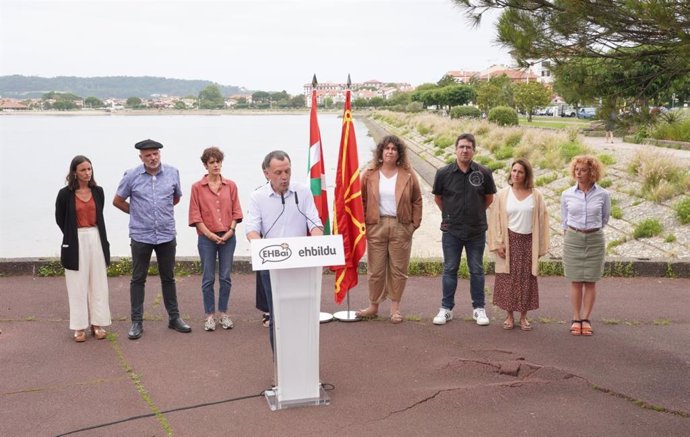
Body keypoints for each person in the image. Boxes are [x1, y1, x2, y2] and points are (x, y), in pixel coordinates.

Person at [113, 139, 191, 340]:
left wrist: (159, 212)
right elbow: (118, 200)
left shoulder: (173, 173)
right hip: (141, 235)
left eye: (155, 154)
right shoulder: (131, 175)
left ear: (160, 154)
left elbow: (176, 198)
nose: (152, 158)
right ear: (141, 157)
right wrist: (137, 212)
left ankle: (174, 318)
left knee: (168, 277)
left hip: (166, 234)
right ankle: (136, 322)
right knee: (138, 278)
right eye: (148, 155)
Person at [245, 150, 323, 350]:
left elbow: (315, 224)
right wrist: (262, 247)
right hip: (272, 266)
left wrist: (316, 242)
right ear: (266, 174)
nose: (284, 177)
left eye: (287, 171)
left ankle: (305, 365)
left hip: (301, 265)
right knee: (277, 317)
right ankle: (280, 368)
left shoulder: (303, 192)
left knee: (302, 315)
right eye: (278, 172)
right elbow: (252, 231)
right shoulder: (257, 197)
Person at [432, 133, 496, 326]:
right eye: (461, 147)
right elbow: (438, 198)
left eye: (469, 147)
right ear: (455, 149)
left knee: (476, 269)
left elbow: (489, 198)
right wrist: (452, 214)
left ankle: (479, 309)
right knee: (450, 269)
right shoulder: (443, 173)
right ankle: (446, 309)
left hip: (476, 231)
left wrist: (475, 213)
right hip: (452, 230)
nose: (465, 150)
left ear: (474, 151)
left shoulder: (483, 173)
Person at [356, 135, 422, 323]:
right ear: (381, 152)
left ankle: (395, 308)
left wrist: (413, 225)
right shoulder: (369, 174)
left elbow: (417, 199)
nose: (390, 151)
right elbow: (361, 200)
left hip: (401, 226)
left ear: (399, 153)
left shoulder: (408, 174)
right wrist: (364, 223)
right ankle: (373, 306)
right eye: (387, 148)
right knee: (375, 270)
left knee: (398, 270)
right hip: (376, 226)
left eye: (394, 149)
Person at [488, 159, 550, 331]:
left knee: (526, 279)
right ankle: (509, 316)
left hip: (528, 241)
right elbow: (495, 220)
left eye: (520, 172)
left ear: (526, 174)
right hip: (509, 240)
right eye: (514, 171)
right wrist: (499, 243)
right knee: (508, 279)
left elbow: (543, 219)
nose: (516, 174)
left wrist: (540, 246)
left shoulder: (536, 195)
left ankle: (523, 317)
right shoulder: (502, 195)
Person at [55, 156, 111, 342]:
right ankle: (79, 326)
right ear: (74, 173)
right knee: (77, 284)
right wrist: (73, 234)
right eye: (83, 170)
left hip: (96, 237)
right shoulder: (65, 194)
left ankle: (98, 323)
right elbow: (60, 218)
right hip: (75, 238)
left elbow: (100, 214)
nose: (87, 173)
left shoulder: (98, 191)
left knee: (98, 283)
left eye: (89, 169)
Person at [188, 147, 243, 332]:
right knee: (208, 277)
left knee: (226, 276)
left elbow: (237, 211)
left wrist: (231, 230)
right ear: (205, 165)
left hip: (228, 236)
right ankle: (210, 315)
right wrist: (210, 235)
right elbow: (195, 216)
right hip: (206, 238)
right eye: (212, 162)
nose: (216, 165)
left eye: (218, 161)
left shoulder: (231, 185)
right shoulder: (197, 187)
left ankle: (223, 313)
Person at [561, 155, 611, 336]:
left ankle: (586, 318)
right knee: (575, 280)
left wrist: (591, 231)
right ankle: (576, 318)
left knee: (590, 281)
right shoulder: (566, 194)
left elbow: (605, 218)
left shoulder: (603, 194)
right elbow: (564, 220)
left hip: (595, 238)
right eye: (576, 170)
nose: (578, 173)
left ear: (592, 172)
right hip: (573, 238)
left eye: (583, 170)